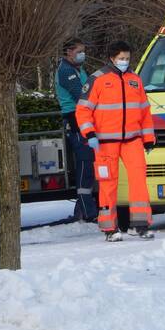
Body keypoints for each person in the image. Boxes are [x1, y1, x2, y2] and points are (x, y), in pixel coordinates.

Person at [75, 41, 156, 241]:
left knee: (139, 180)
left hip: (132, 140)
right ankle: (110, 228)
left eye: (127, 58)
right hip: (105, 142)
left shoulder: (135, 80)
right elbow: (83, 110)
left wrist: (148, 138)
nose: (125, 62)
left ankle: (140, 224)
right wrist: (90, 134)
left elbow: (144, 112)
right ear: (112, 58)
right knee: (108, 184)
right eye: (121, 58)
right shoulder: (98, 80)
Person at [55, 38, 96, 221]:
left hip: (83, 118)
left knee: (88, 163)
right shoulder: (66, 71)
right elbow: (82, 94)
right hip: (74, 118)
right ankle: (87, 211)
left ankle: (84, 209)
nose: (82, 54)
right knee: (85, 161)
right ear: (69, 52)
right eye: (80, 51)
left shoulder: (77, 69)